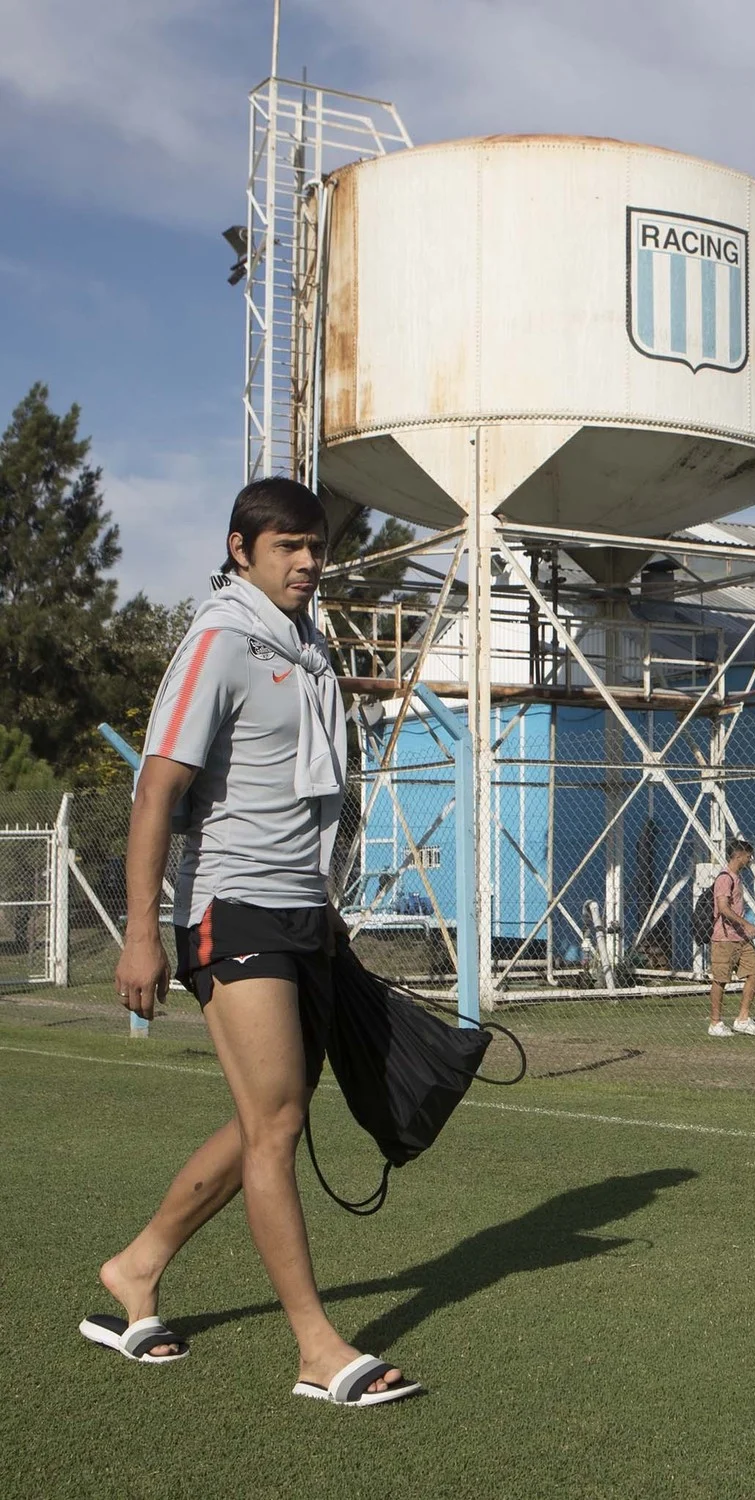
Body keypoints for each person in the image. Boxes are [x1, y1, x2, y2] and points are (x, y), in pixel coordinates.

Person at [78, 477, 421, 1408]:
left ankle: (137, 1269)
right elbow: (156, 789)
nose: (309, 561)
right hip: (230, 907)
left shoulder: (308, 648)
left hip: (300, 910)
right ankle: (317, 1349)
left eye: (315, 546)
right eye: (288, 547)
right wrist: (141, 933)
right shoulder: (221, 642)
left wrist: (326, 909)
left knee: (270, 1115)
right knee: (275, 1122)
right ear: (241, 550)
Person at [707, 839, 755, 1037]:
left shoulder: (737, 878)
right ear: (738, 855)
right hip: (724, 938)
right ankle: (715, 1023)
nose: (750, 860)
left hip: (740, 937)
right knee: (721, 980)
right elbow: (723, 908)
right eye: (748, 856)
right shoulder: (725, 878)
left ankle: (743, 1018)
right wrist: (746, 924)